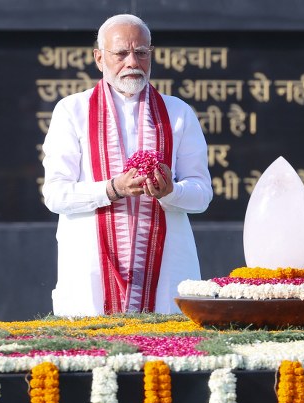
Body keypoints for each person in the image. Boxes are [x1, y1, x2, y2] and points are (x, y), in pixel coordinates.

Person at [42, 14, 213, 316]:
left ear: (151, 55)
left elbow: (201, 195)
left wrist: (170, 191)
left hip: (166, 272)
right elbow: (55, 195)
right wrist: (113, 188)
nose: (132, 62)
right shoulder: (72, 110)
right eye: (121, 53)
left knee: (168, 360)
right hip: (91, 273)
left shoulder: (178, 112)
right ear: (99, 58)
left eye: (141, 52)